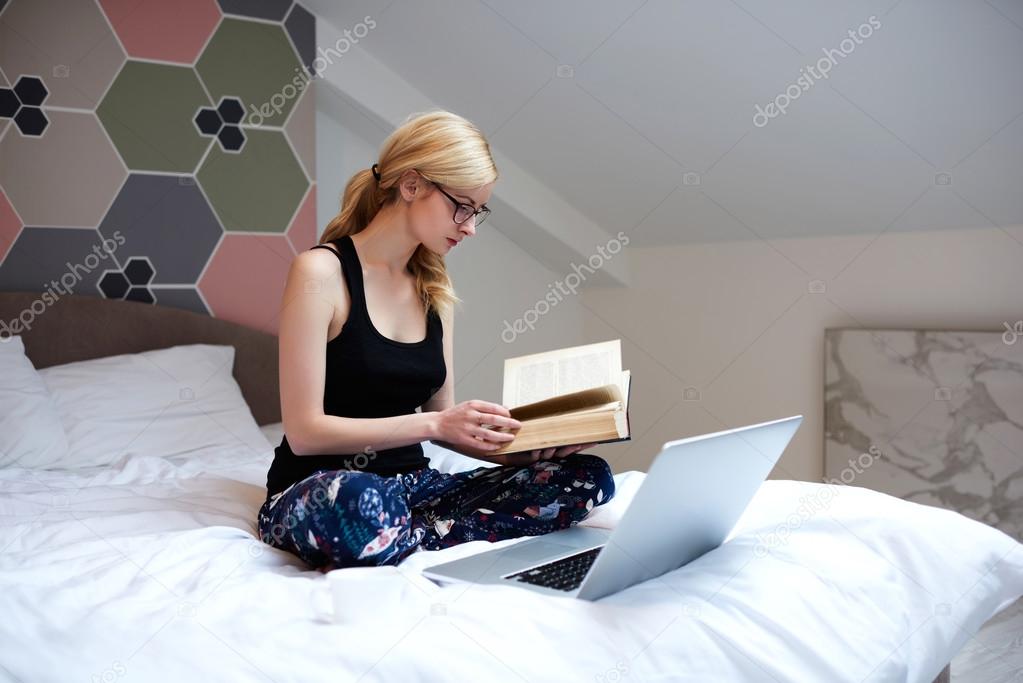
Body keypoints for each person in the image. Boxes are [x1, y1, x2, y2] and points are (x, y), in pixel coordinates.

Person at [257, 110, 616, 571]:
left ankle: (407, 534)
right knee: (355, 502)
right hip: (325, 487)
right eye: (461, 206)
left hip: (414, 489)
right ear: (411, 185)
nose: (468, 226)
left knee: (588, 479)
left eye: (477, 212)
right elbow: (306, 434)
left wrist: (524, 449)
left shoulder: (433, 288)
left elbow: (443, 418)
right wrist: (434, 427)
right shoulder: (320, 273)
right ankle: (415, 529)